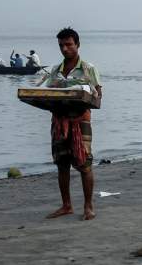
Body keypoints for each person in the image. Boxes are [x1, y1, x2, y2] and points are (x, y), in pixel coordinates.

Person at [38, 27, 103, 221]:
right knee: (62, 164)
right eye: (61, 45)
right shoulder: (55, 70)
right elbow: (43, 90)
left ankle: (88, 206)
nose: (65, 49)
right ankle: (66, 205)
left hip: (80, 121)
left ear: (77, 45)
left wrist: (91, 94)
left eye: (68, 44)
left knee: (84, 164)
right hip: (58, 121)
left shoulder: (88, 68)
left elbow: (99, 96)